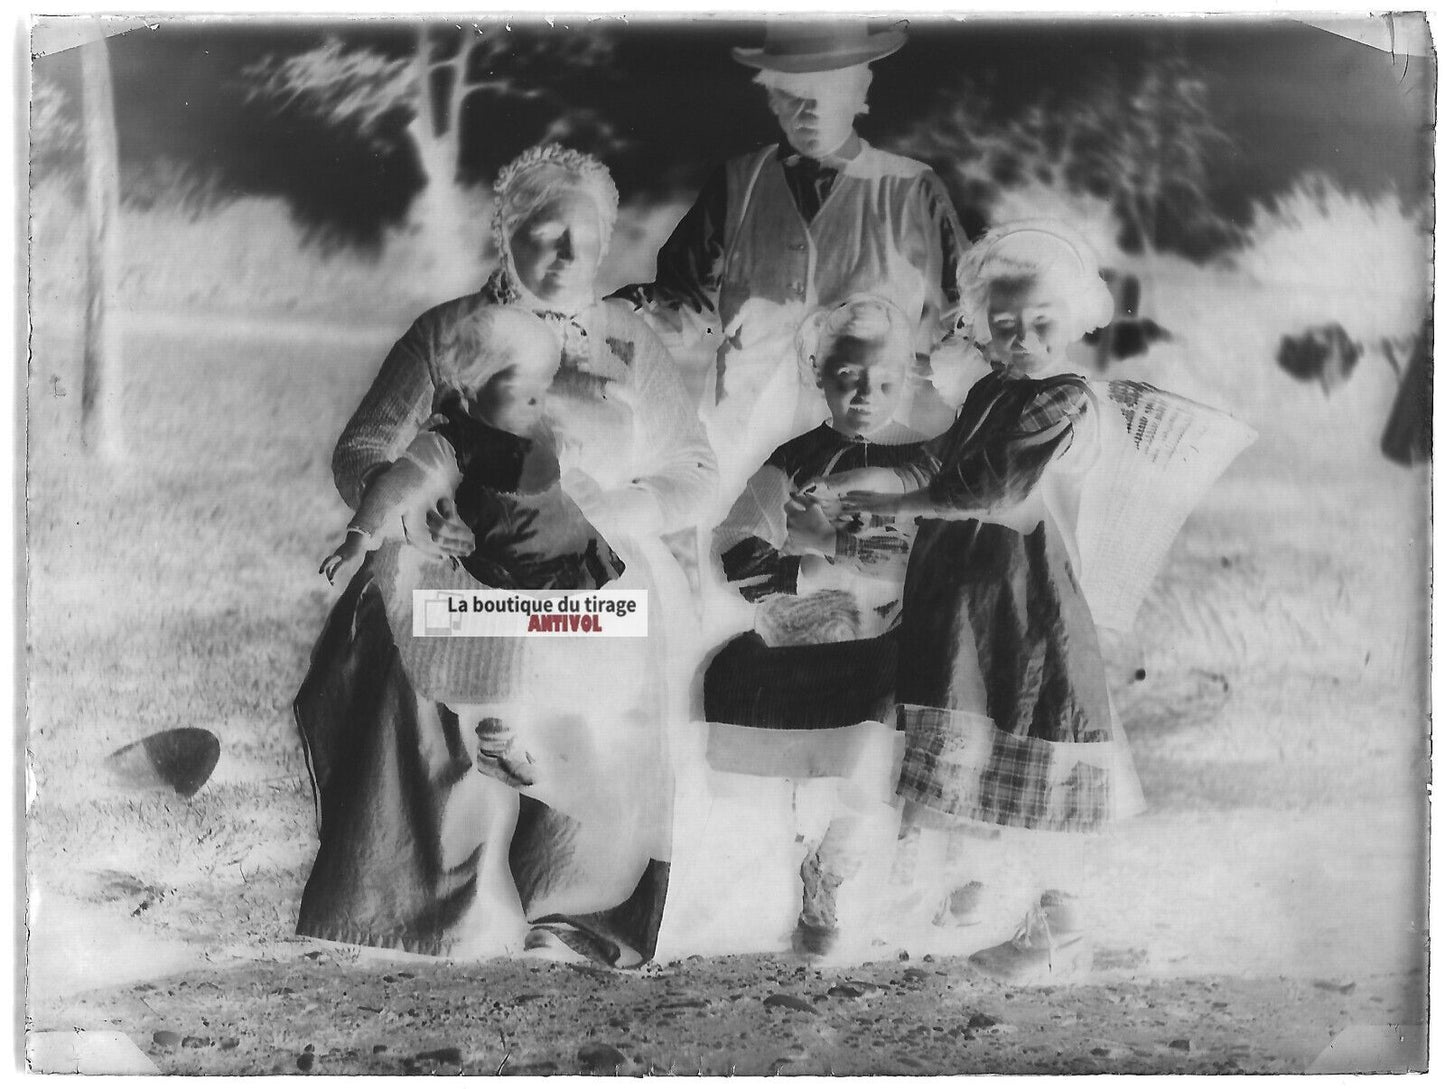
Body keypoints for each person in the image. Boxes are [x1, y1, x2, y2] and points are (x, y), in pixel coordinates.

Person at [295, 144, 717, 968]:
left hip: (591, 564)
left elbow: (692, 471)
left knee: (605, 657)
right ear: (506, 232)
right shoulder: (449, 333)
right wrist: (421, 512)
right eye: (544, 232)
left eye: (585, 237)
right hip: (457, 560)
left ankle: (571, 905)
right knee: (427, 648)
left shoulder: (628, 340)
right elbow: (365, 448)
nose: (567, 253)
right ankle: (439, 906)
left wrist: (613, 513)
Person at [836, 221, 1144, 982]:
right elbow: (946, 459)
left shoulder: (1063, 400)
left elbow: (992, 487)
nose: (1022, 337)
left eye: (1041, 320)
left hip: (1026, 602)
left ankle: (1060, 929)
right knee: (968, 737)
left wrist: (903, 506)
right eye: (1002, 324)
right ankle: (956, 906)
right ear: (979, 324)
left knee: (1035, 740)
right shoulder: (992, 387)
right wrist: (872, 470)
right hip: (964, 600)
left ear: (1074, 315)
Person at [612, 21, 978, 505]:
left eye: (826, 88)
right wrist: (617, 318)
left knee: (845, 566)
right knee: (736, 563)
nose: (809, 108)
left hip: (869, 453)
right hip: (745, 441)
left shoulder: (912, 189)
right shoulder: (736, 183)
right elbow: (683, 308)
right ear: (772, 97)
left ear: (860, 88)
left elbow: (969, 319)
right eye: (792, 92)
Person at [701, 295, 931, 956]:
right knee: (807, 783)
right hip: (806, 636)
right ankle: (801, 873)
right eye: (848, 376)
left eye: (884, 381)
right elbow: (736, 546)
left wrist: (853, 551)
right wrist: (807, 565)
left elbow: (934, 554)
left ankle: (833, 868)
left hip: (885, 639)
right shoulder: (794, 458)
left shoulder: (916, 463)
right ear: (818, 371)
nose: (865, 393)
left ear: (906, 380)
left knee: (871, 776)